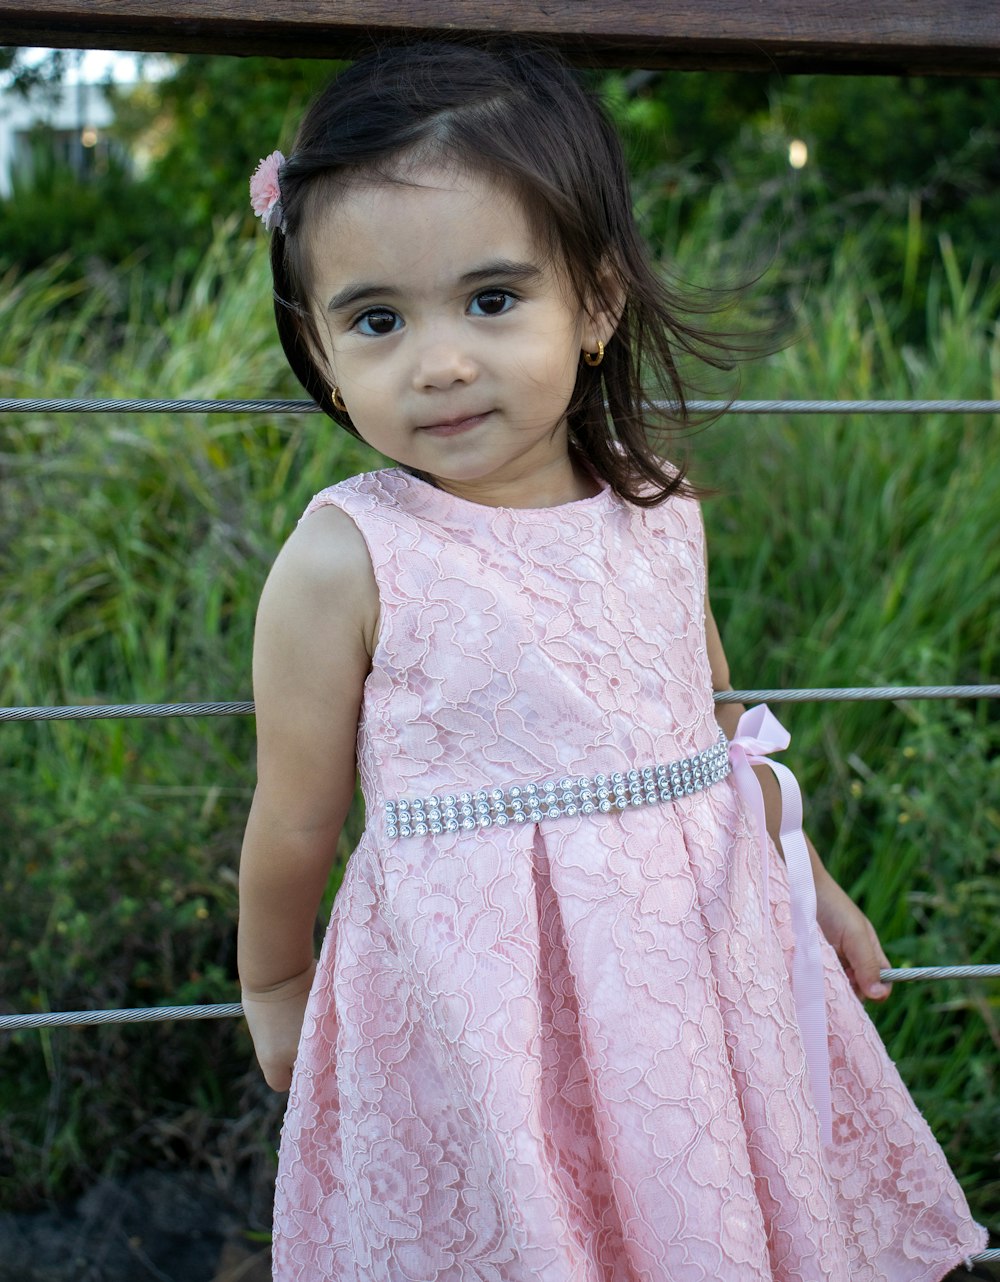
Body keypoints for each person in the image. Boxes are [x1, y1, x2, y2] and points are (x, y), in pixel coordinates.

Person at [238, 40, 988, 1282]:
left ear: (593, 303)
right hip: (484, 1014)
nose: (438, 360)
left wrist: (810, 890)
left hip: (689, 977)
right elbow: (293, 812)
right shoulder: (347, 560)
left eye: (491, 300)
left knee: (695, 1211)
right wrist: (273, 978)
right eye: (376, 318)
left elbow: (715, 732)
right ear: (320, 350)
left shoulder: (659, 511)